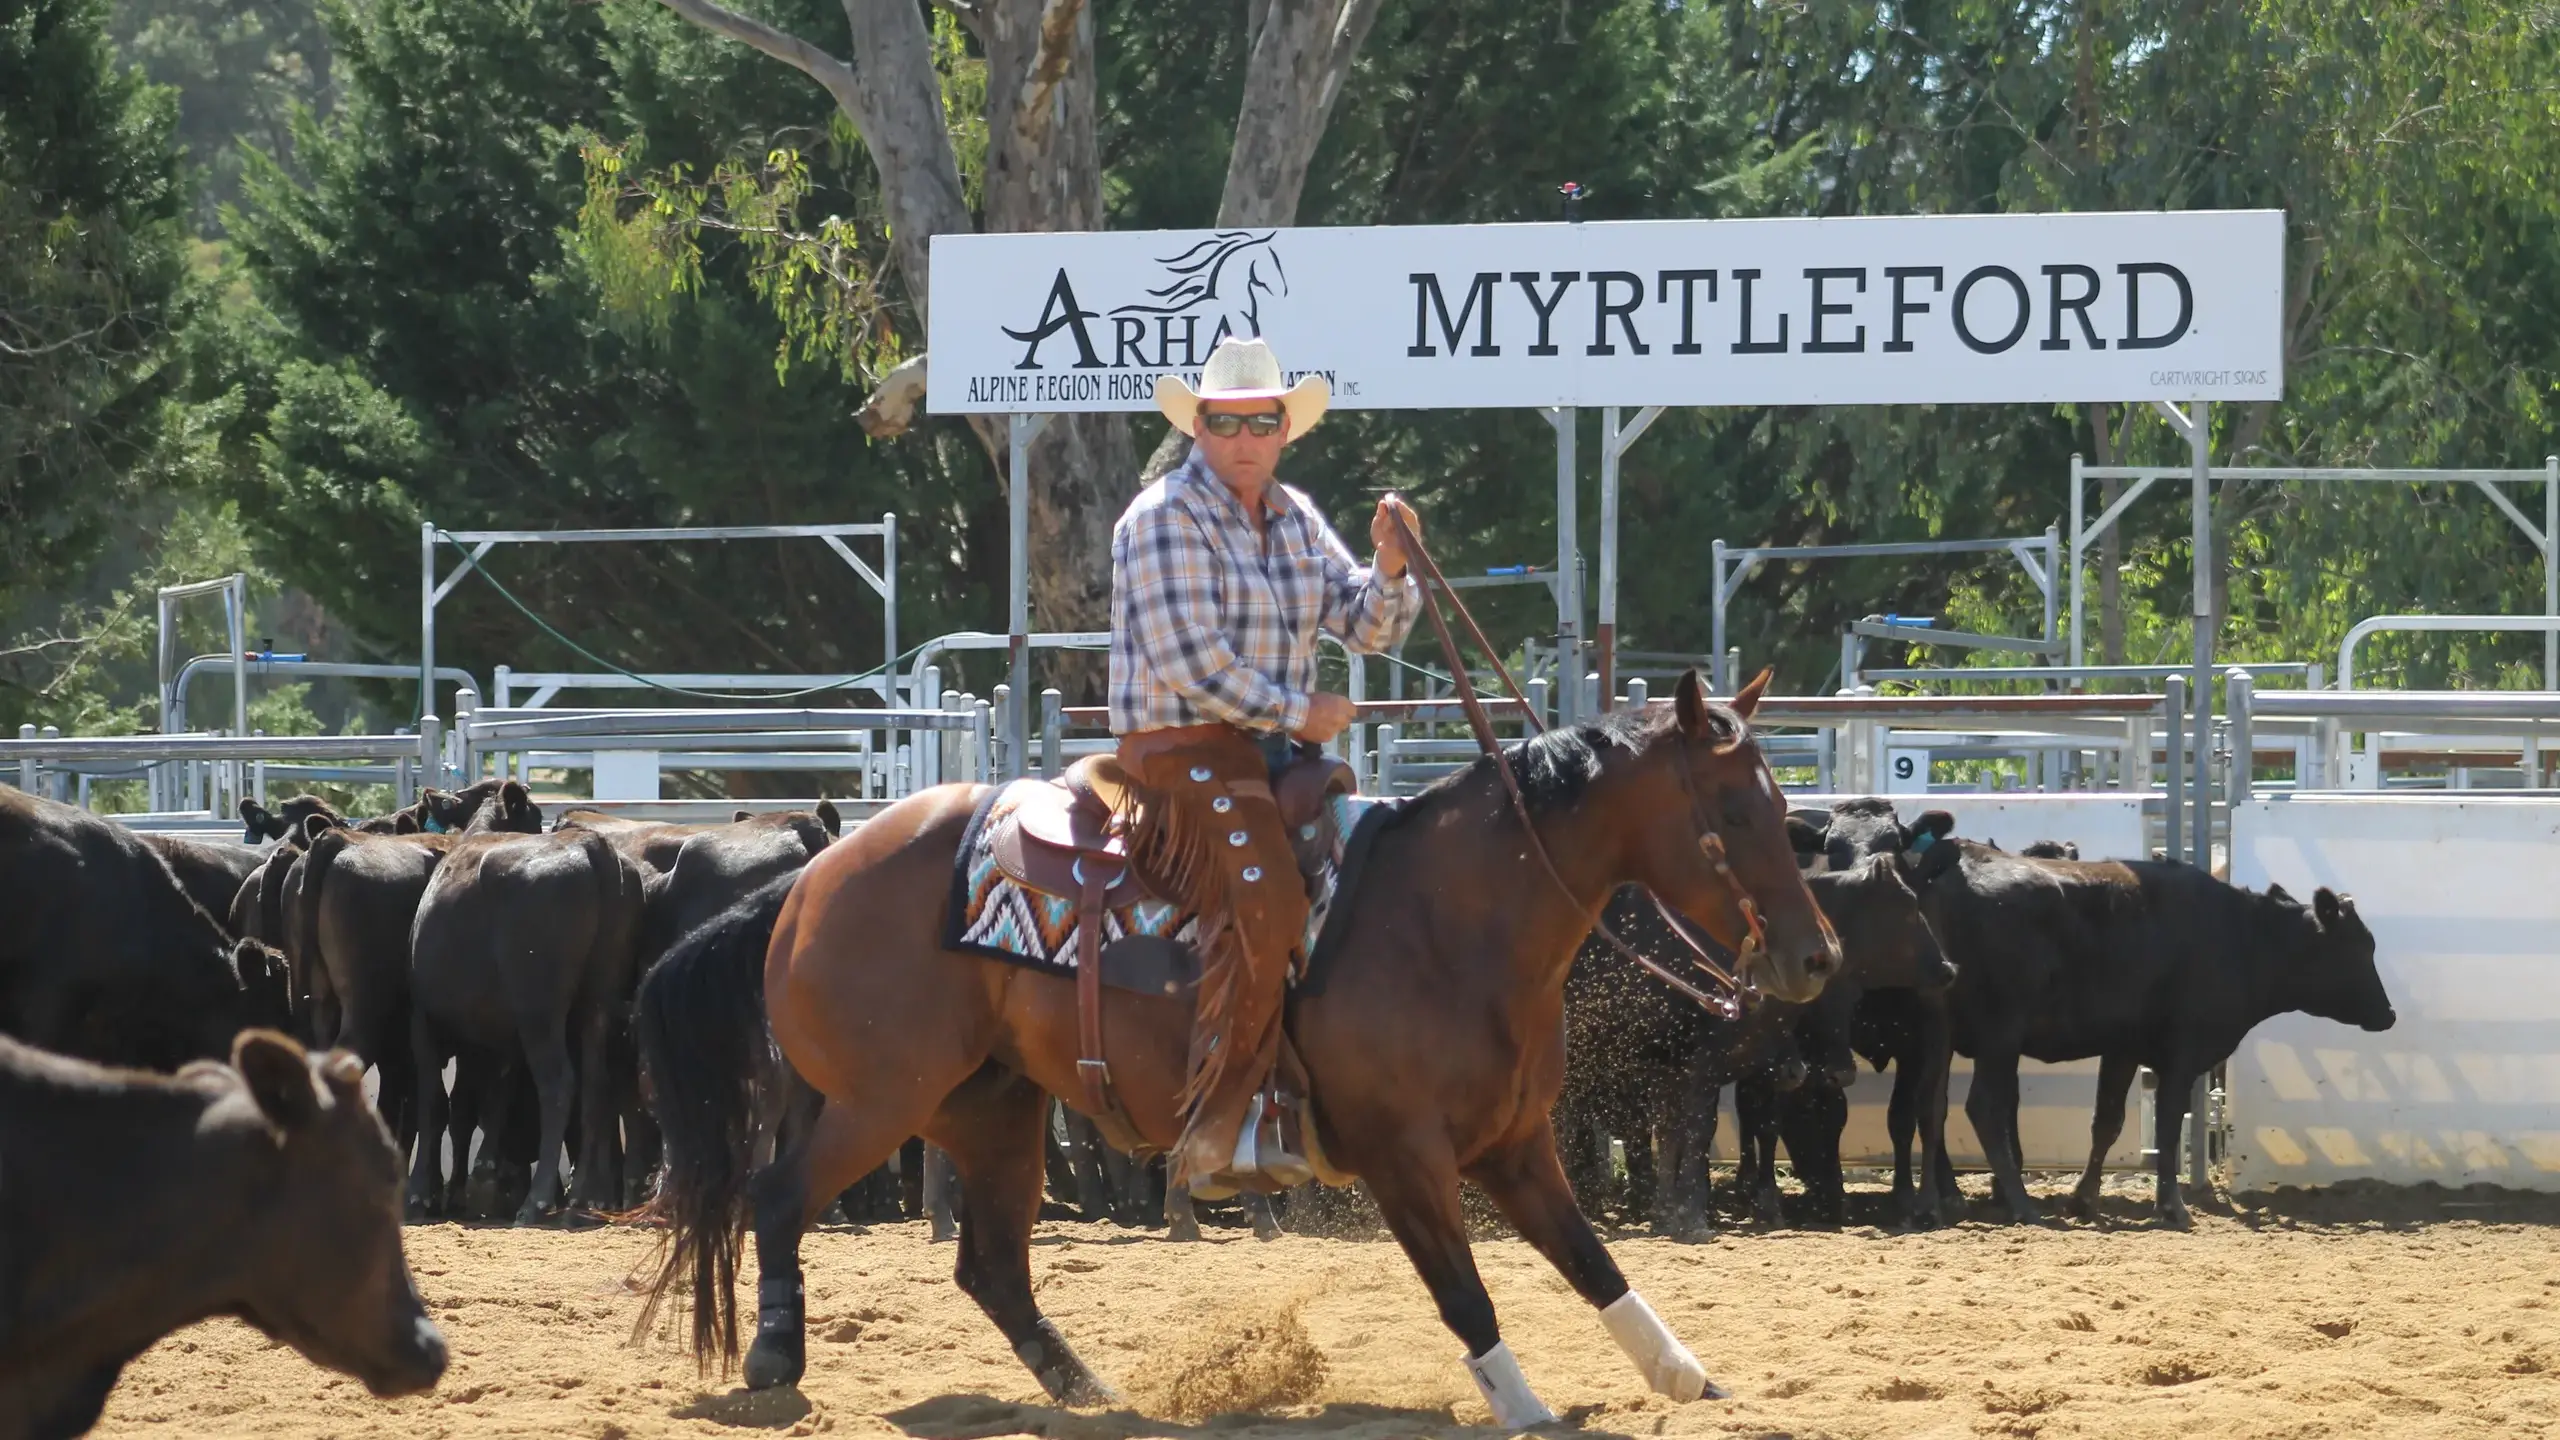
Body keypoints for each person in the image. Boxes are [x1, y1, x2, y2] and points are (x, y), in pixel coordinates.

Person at [1111, 335, 1422, 1192]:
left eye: (1261, 421)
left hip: (1272, 756)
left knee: (1369, 877)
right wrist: (1300, 710)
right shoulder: (1163, 516)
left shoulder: (1295, 517)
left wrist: (1391, 566)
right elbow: (1190, 662)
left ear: (1285, 429)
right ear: (1199, 427)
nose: (1244, 437)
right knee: (1271, 895)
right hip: (1180, 751)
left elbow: (1366, 625)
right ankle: (1224, 1122)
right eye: (1225, 421)